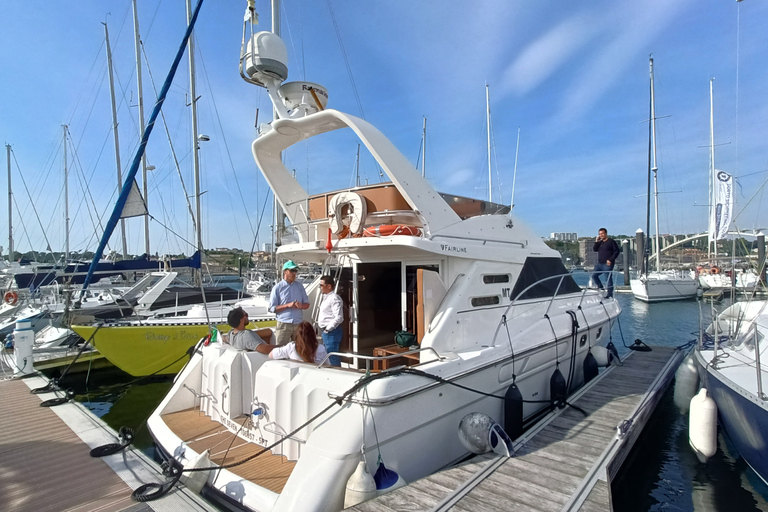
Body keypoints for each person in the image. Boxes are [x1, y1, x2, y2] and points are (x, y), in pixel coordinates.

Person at [268, 260, 310, 345]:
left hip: (298, 324)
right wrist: (288, 305)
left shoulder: (300, 286)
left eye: (295, 271)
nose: (294, 273)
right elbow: (272, 308)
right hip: (284, 324)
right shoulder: (277, 287)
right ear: (285, 271)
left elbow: (307, 304)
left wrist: (301, 305)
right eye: (292, 270)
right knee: (280, 350)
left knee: (299, 350)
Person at [316, 275, 344, 366]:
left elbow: (339, 317)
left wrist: (328, 329)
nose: (320, 287)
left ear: (329, 286)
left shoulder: (334, 298)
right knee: (328, 355)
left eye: (321, 285)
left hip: (331, 332)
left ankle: (338, 376)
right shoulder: (326, 298)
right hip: (326, 332)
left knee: (332, 356)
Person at [592, 228, 620, 298]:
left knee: (607, 279)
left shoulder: (611, 241)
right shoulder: (600, 242)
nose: (601, 235)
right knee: (594, 276)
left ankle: (610, 294)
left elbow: (617, 251)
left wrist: (610, 259)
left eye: (602, 233)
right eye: (599, 234)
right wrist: (596, 241)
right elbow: (595, 249)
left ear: (606, 233)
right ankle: (601, 288)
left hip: (607, 264)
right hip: (599, 264)